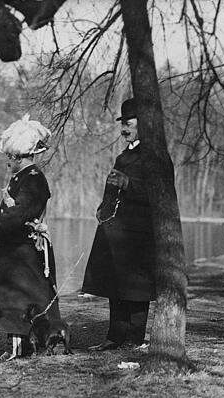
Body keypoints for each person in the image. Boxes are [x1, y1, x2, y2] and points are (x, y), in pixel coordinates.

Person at [82, 98, 155, 351]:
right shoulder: (123, 156)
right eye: (122, 124)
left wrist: (128, 185)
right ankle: (114, 338)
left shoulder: (154, 155)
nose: (124, 129)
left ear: (143, 124)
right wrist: (103, 207)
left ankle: (134, 339)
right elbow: (113, 189)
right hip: (115, 232)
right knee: (116, 286)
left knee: (136, 290)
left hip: (138, 235)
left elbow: (160, 196)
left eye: (128, 123)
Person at [0, 115, 62, 360]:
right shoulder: (19, 180)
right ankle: (19, 346)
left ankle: (21, 350)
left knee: (22, 297)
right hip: (14, 250)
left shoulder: (33, 181)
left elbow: (16, 216)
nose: (8, 161)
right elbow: (3, 213)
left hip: (25, 251)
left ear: (20, 157)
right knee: (12, 296)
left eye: (12, 157)